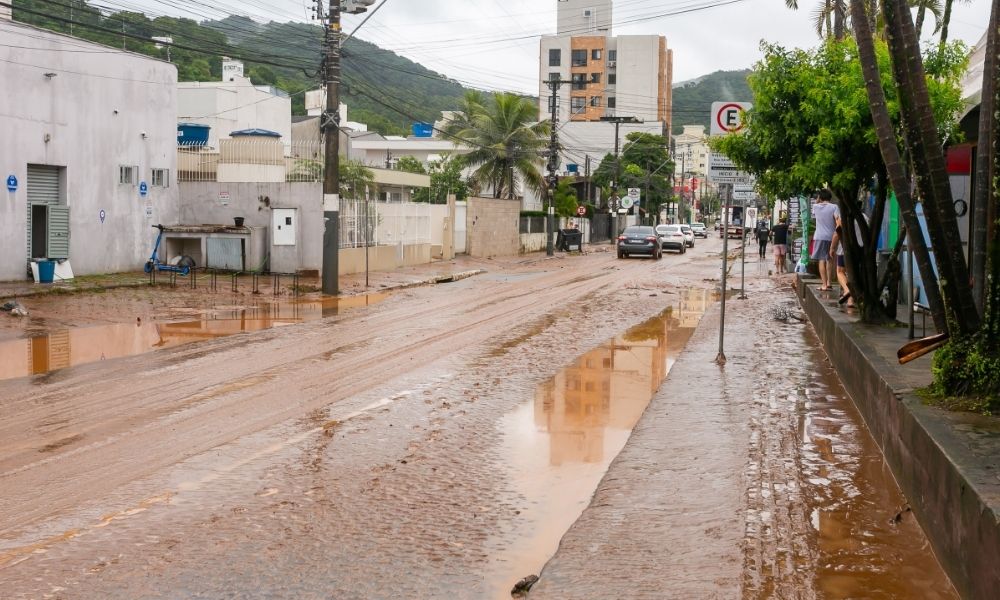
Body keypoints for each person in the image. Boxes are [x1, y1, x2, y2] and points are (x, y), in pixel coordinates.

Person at [810, 189, 840, 291]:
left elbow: (815, 212)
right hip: (832, 236)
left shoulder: (815, 207)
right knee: (830, 259)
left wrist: (818, 200)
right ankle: (829, 283)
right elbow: (837, 220)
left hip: (819, 236)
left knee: (821, 260)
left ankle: (823, 284)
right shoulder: (834, 207)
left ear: (820, 197)